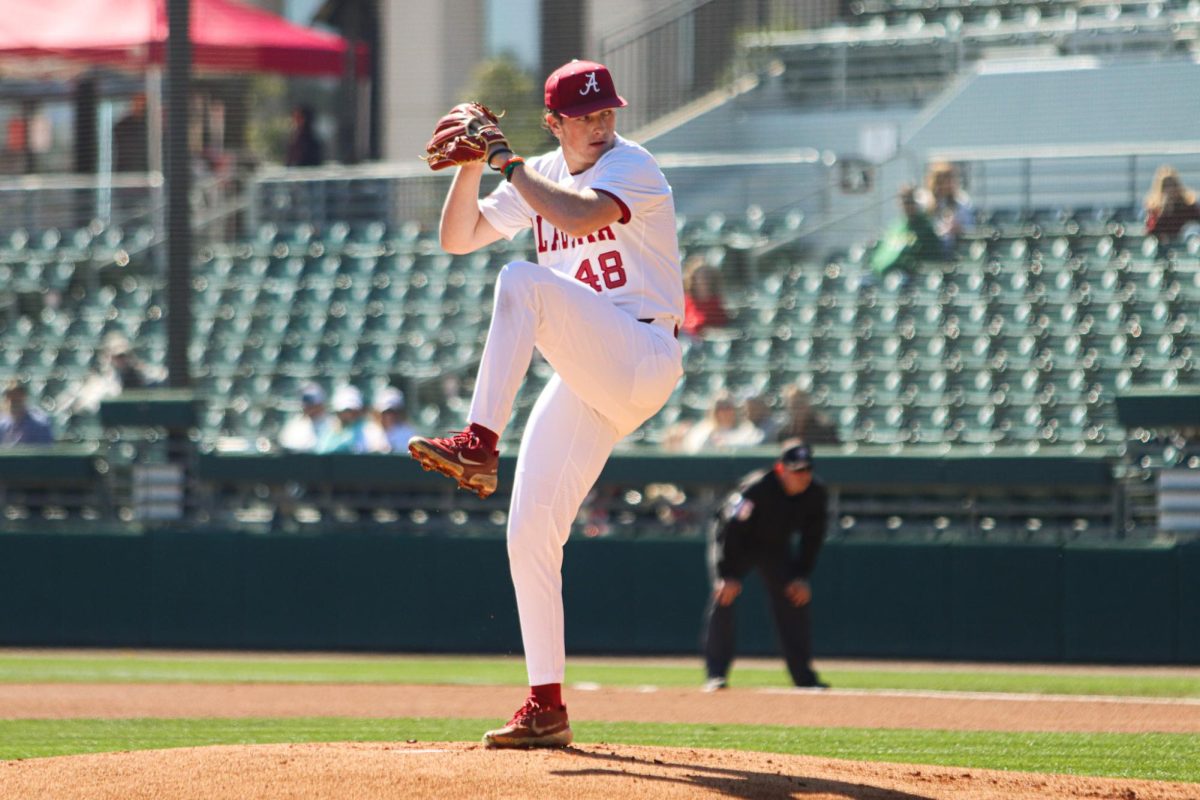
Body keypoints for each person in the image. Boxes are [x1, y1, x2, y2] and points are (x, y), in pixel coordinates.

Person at [407, 59, 684, 748]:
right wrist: (473, 163)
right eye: (586, 115)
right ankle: (546, 704)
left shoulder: (632, 165)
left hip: (643, 353)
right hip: (592, 373)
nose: (601, 124)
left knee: (520, 281)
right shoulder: (541, 175)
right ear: (554, 123)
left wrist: (504, 157)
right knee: (529, 529)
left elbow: (579, 214)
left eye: (607, 111)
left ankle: (478, 440)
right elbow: (458, 237)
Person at [703, 441, 828, 691]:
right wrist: (724, 573)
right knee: (724, 596)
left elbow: (812, 538)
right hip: (738, 545)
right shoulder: (756, 489)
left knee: (795, 597)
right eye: (797, 470)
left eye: (807, 470)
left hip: (775, 549)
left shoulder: (815, 494)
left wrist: (801, 575)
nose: (803, 476)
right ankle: (716, 674)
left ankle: (803, 677)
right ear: (781, 469)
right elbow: (727, 530)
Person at [869, 185, 944, 276]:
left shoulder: (925, 228)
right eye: (905, 202)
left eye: (911, 202)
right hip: (884, 274)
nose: (908, 206)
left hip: (910, 276)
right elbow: (883, 254)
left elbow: (933, 257)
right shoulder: (896, 226)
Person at [918, 161, 973, 257]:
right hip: (929, 247)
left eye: (950, 180)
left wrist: (959, 228)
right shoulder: (924, 201)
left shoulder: (961, 200)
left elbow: (970, 226)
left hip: (956, 249)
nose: (946, 185)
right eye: (941, 181)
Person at [681, 390, 763, 453]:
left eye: (728, 407)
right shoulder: (703, 430)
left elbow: (753, 448)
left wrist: (726, 445)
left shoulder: (746, 429)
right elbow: (694, 449)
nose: (724, 411)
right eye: (720, 407)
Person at [315, 385, 384, 453]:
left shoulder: (371, 430)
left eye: (353, 411)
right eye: (346, 411)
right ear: (338, 412)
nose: (349, 415)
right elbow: (322, 452)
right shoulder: (328, 429)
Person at [1144, 165, 1200, 244]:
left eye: (1172, 185)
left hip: (1184, 245)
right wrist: (1164, 210)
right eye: (1166, 186)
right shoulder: (1155, 209)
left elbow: (1196, 221)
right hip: (1163, 247)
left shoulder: (1187, 205)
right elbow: (1151, 231)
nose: (1170, 190)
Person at [681, 255, 730, 338]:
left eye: (706, 276)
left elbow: (721, 324)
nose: (702, 280)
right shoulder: (685, 301)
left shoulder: (716, 302)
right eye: (699, 276)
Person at [277, 383, 334, 453]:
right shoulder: (294, 425)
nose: (309, 408)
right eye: (307, 404)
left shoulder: (334, 423)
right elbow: (286, 445)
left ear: (321, 404)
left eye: (312, 404)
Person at [774, 385, 840, 445]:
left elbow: (833, 452)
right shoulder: (783, 433)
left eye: (801, 403)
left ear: (808, 404)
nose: (798, 408)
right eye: (794, 404)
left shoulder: (825, 430)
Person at [0, 381, 53, 446]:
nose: (12, 402)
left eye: (16, 397)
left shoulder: (39, 426)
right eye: (9, 397)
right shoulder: (2, 426)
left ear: (24, 398)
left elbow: (46, 453)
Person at [113, 94, 149, 173]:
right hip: (126, 172)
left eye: (143, 104)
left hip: (144, 172)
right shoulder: (123, 125)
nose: (140, 106)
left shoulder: (150, 126)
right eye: (137, 102)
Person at [374, 386, 415, 453]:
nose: (388, 416)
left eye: (392, 412)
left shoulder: (408, 433)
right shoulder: (369, 431)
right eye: (385, 412)